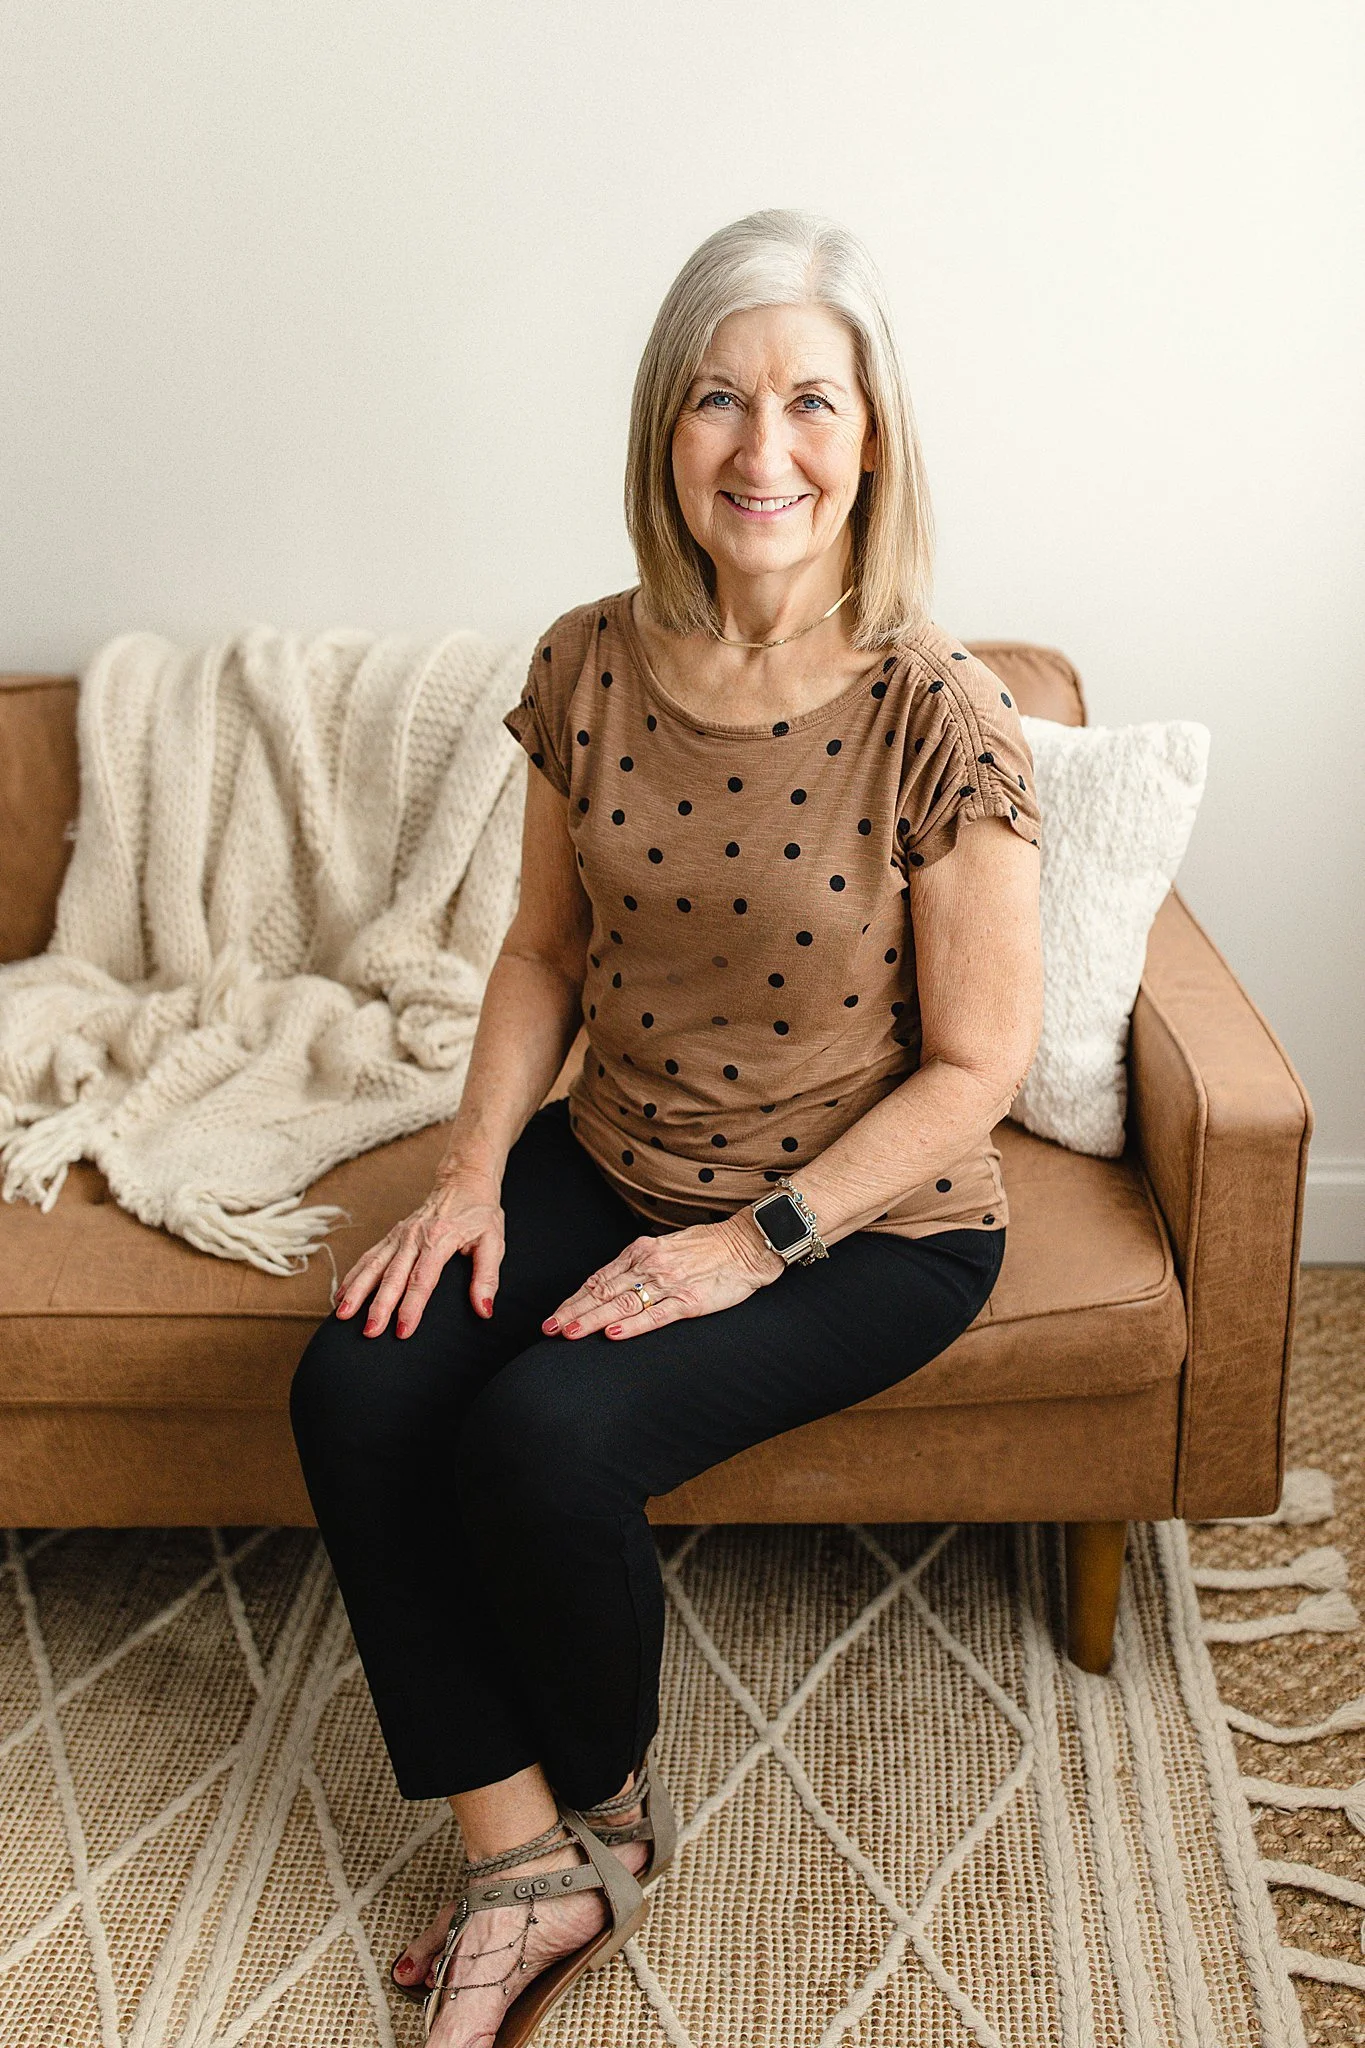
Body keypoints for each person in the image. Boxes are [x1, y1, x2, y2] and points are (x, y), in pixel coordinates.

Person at [290, 206, 1043, 2048]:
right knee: (361, 1378)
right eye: (719, 399)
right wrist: (469, 1175)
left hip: (870, 1225)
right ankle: (525, 1855)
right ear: (664, 428)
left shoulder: (942, 720)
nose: (762, 450)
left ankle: (611, 1797)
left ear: (874, 439)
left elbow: (978, 1070)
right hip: (612, 1147)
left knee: (544, 1439)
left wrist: (745, 1250)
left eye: (809, 402)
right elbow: (543, 950)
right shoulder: (590, 663)